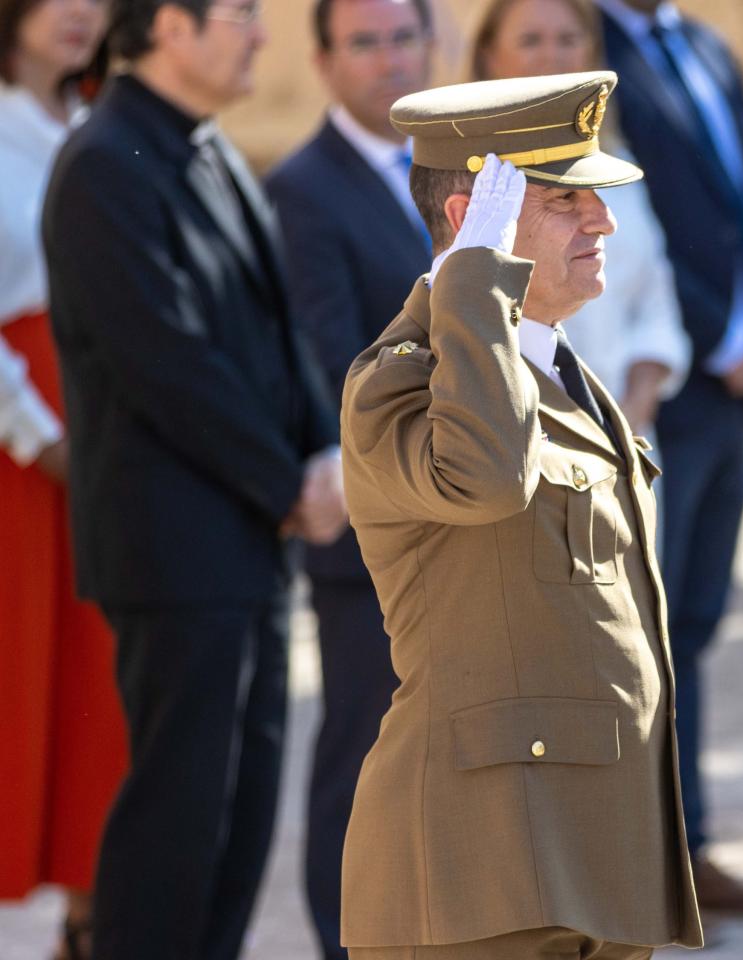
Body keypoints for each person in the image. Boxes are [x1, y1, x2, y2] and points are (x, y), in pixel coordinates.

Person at [337, 71, 702, 959]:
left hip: (595, 857)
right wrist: (471, 282)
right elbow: (485, 480)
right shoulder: (398, 381)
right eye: (565, 200)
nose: (602, 223)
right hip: (481, 872)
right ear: (475, 218)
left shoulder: (563, 372)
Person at [39, 0, 348, 956]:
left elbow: (272, 326)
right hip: (173, 548)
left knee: (237, 819)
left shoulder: (204, 146)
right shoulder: (102, 162)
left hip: (244, 538)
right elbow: (159, 356)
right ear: (171, 26)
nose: (263, 35)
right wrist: (284, 482)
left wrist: (322, 455)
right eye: (244, 15)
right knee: (176, 823)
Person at [596, 0, 743, 912]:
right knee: (645, 631)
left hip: (734, 383)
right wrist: (720, 337)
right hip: (667, 378)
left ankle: (687, 843)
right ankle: (645, 863)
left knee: (697, 623)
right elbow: (644, 231)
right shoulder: (583, 43)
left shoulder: (706, 47)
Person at [262, 0, 434, 956]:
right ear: (324, 62)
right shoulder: (302, 188)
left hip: (464, 505)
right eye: (363, 44)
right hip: (373, 515)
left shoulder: (468, 171)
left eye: (402, 37)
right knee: (361, 757)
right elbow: (335, 361)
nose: (388, 60)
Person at [0, 1, 125, 957]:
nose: (80, 13)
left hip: (105, 423)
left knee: (100, 677)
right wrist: (35, 432)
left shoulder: (104, 125)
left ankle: (89, 923)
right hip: (20, 441)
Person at [470, 0, 686, 439]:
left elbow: (655, 301)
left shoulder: (618, 163)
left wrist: (631, 407)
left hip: (626, 432)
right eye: (531, 40)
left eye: (568, 39)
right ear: (490, 56)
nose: (552, 55)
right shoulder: (470, 178)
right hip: (522, 439)